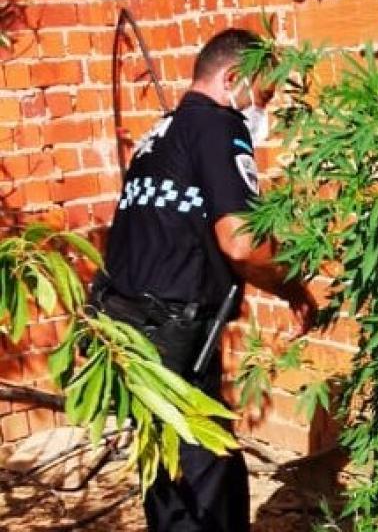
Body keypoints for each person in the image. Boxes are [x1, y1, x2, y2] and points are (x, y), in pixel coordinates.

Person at [91, 28, 315, 532]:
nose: (261, 111)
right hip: (173, 332)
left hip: (126, 323)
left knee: (168, 463)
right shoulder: (219, 126)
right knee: (202, 473)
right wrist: (293, 287)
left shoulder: (162, 131)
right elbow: (240, 241)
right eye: (261, 95)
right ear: (232, 78)